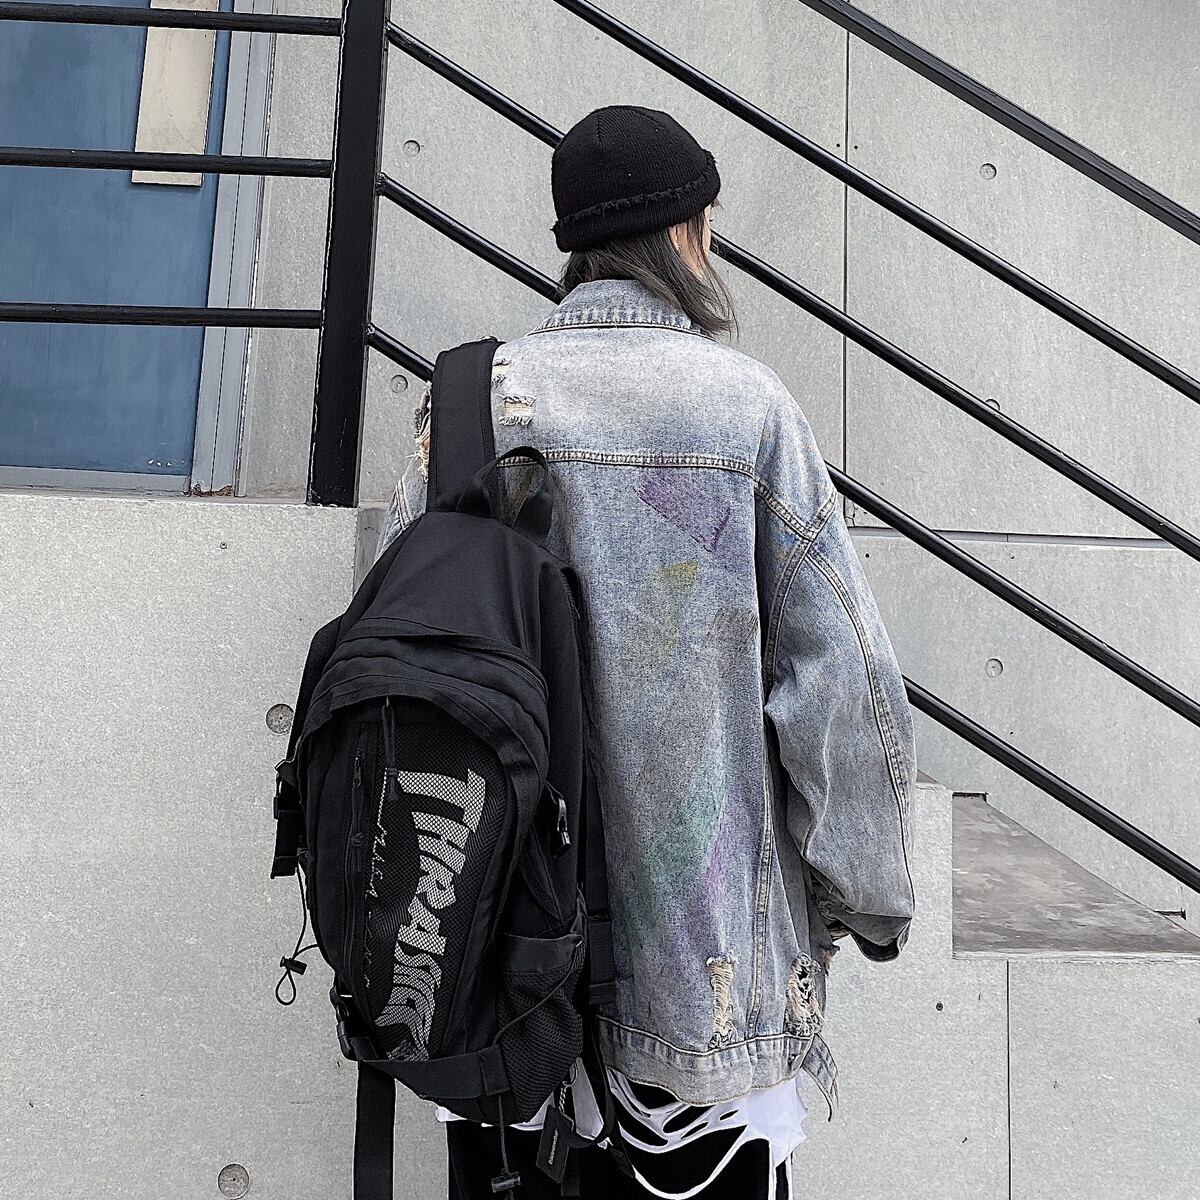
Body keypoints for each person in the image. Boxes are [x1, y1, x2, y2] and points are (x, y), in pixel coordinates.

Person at [375, 104, 916, 1200]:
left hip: (492, 973)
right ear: (684, 234)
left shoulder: (474, 404)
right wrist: (864, 894)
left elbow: (396, 652)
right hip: (697, 981)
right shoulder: (744, 408)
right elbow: (840, 685)